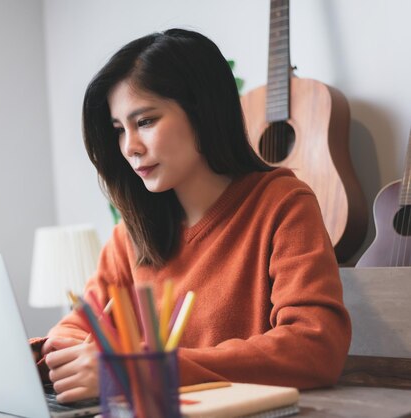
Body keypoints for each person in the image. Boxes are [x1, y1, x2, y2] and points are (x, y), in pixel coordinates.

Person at [30, 28, 351, 403]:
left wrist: (142, 372)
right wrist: (65, 354)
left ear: (203, 111)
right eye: (119, 130)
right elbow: (77, 327)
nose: (130, 147)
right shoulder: (131, 234)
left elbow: (314, 347)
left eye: (145, 121)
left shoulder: (282, 204)